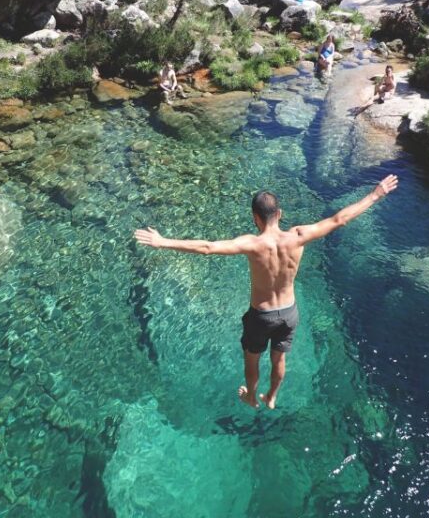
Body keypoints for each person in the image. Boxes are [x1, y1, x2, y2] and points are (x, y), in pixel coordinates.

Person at [134, 174, 399, 410]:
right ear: (280, 214)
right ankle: (272, 396)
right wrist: (375, 194)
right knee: (278, 359)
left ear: (255, 218)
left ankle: (251, 395)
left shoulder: (252, 244)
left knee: (252, 360)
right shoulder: (299, 236)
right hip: (289, 313)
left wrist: (163, 242)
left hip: (261, 317)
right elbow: (340, 219)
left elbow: (207, 247)